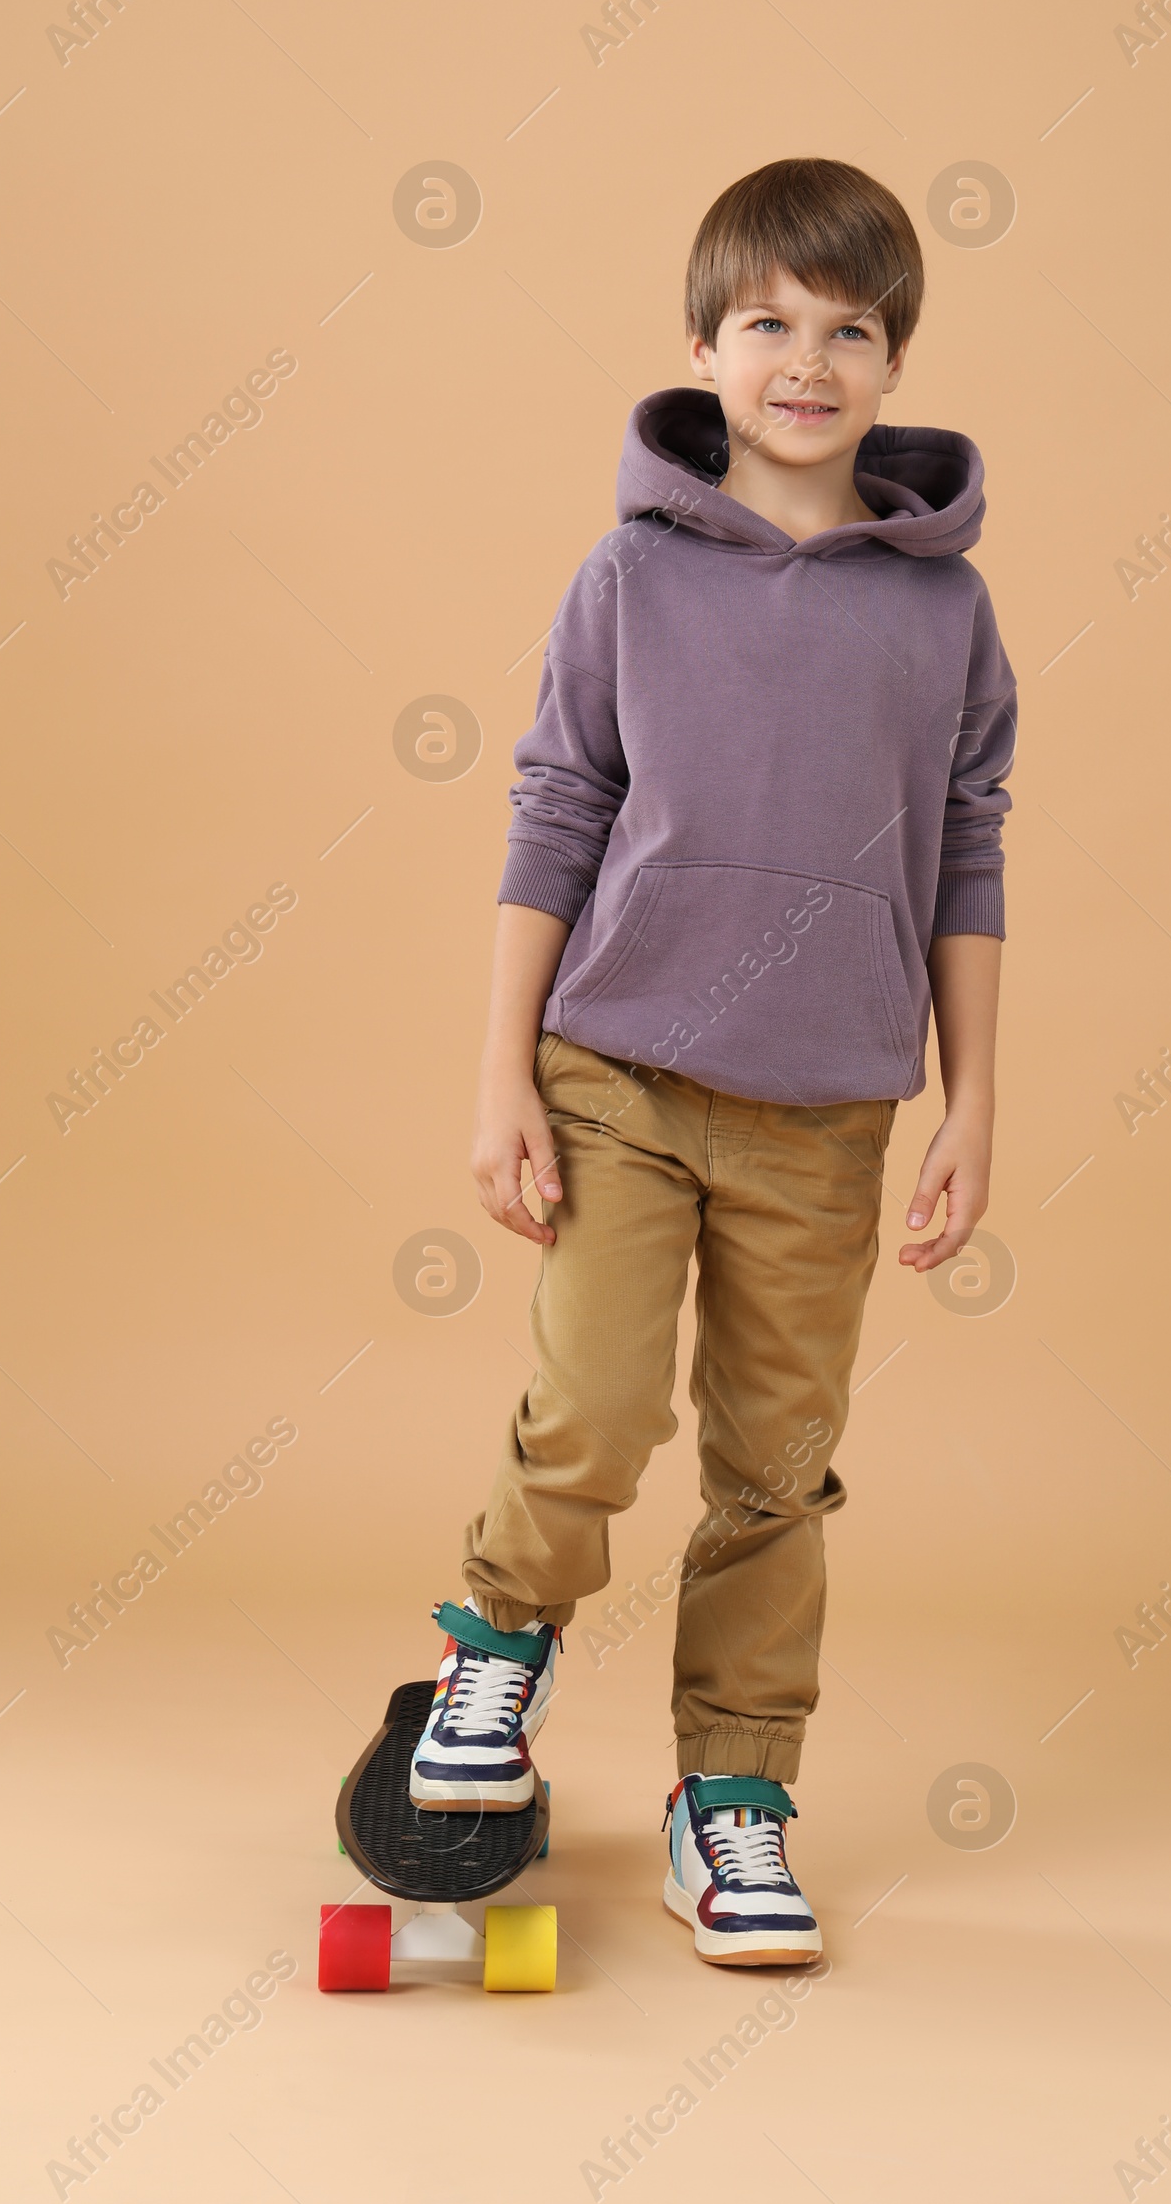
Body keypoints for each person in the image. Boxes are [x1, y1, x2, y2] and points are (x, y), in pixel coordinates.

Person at [409, 157, 1017, 1969]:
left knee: (775, 1468)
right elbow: (558, 805)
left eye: (851, 330)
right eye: (770, 324)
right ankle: (495, 1654)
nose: (808, 362)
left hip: (829, 1111)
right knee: (595, 1406)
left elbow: (969, 856)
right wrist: (502, 1071)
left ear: (894, 363)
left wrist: (973, 1101)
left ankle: (729, 1798)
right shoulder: (631, 575)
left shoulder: (943, 613)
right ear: (705, 346)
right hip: (621, 1073)